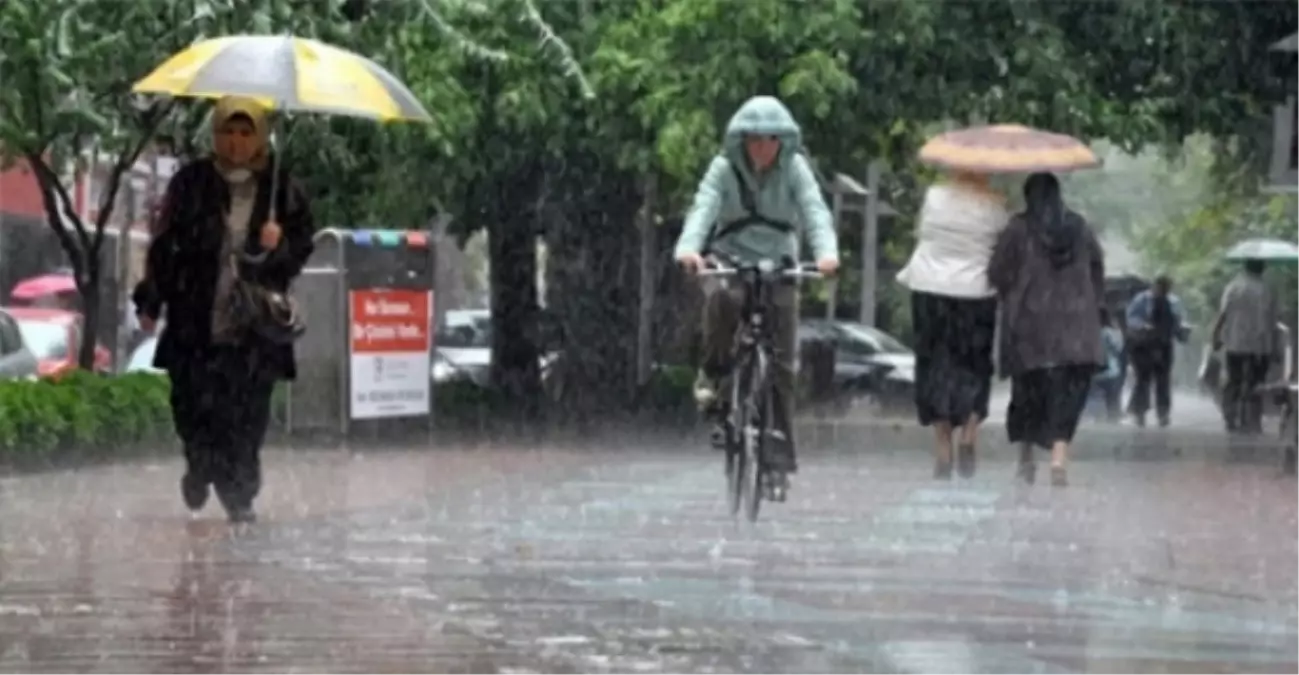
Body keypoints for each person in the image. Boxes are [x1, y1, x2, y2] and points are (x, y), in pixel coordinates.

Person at [133, 96, 315, 523]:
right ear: (215, 134)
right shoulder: (191, 183)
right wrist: (152, 300)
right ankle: (200, 467)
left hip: (253, 329)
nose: (236, 142)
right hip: (195, 320)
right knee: (192, 407)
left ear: (259, 137)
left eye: (246, 132)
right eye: (228, 132)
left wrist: (278, 245)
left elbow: (299, 252)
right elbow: (164, 244)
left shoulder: (279, 189)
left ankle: (240, 497)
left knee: (247, 418)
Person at [673, 95, 839, 497]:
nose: (762, 148)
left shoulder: (795, 169)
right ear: (741, 141)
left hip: (779, 265)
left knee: (783, 362)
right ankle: (712, 376)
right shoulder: (723, 169)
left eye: (770, 139)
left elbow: (815, 211)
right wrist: (689, 249)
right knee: (723, 300)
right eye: (754, 140)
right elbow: (703, 209)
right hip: (730, 259)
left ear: (783, 141)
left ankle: (778, 454)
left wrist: (826, 253)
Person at [989, 173, 1105, 487]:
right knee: (1068, 395)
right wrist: (1090, 303)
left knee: (1029, 391)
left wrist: (1012, 292)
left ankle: (1026, 459)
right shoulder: (1080, 228)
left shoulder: (1017, 228)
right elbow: (1097, 270)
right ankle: (1058, 459)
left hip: (1031, 325)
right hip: (1077, 328)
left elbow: (997, 273)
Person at [896, 171, 1007, 480]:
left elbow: (922, 233)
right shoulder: (995, 205)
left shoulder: (934, 196)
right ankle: (970, 430)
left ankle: (943, 445)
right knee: (974, 363)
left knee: (935, 364)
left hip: (930, 289)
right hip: (975, 292)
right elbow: (1001, 247)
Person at [1213, 258, 1280, 433]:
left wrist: (1215, 336)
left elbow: (1223, 314)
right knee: (1257, 382)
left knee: (1234, 380)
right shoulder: (1268, 289)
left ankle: (1230, 416)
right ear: (1262, 268)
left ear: (1245, 267)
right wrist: (1275, 346)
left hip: (1235, 342)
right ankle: (1252, 419)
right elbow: (1272, 320)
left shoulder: (1233, 287)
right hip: (1260, 344)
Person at [1125, 275, 1189, 427]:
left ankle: (1163, 413)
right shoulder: (1141, 300)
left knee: (1163, 380)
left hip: (1164, 344)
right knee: (1143, 379)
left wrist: (1182, 330)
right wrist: (1143, 326)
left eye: (1166, 288)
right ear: (1154, 286)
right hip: (1144, 345)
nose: (1163, 291)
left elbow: (1179, 321)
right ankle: (1139, 411)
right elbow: (1131, 318)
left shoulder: (1174, 302)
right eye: (1161, 288)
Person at [1089, 308, 1126, 422]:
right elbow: (1118, 349)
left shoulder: (1090, 333)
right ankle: (1113, 423)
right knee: (1112, 405)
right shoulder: (1109, 332)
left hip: (1095, 373)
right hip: (1112, 372)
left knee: (1096, 404)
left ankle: (1099, 424)